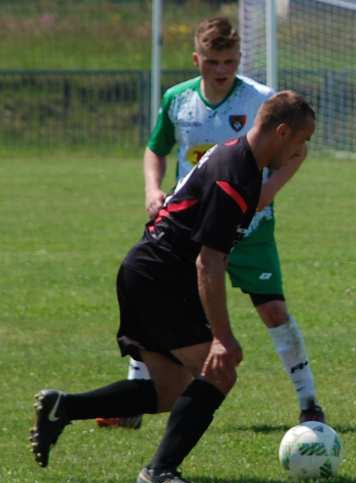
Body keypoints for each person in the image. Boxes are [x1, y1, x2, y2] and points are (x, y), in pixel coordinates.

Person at [29, 91, 316, 483]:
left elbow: (239, 218)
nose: (302, 149)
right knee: (220, 372)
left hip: (147, 273)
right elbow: (208, 263)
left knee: (168, 391)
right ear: (283, 132)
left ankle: (65, 407)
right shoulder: (234, 174)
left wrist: (290, 169)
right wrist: (221, 337)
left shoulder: (239, 160)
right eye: (302, 141)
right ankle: (158, 471)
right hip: (160, 279)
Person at [97, 17, 324, 429]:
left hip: (250, 227)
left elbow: (295, 154)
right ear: (197, 58)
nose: (222, 70)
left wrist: (263, 197)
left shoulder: (262, 99)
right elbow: (156, 149)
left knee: (273, 310)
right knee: (164, 307)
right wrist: (152, 190)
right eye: (214, 62)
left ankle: (309, 402)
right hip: (192, 227)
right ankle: (134, 402)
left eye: (230, 62)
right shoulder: (177, 98)